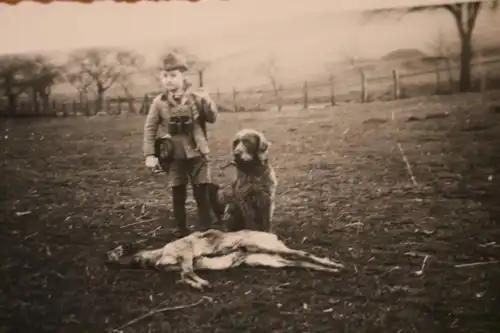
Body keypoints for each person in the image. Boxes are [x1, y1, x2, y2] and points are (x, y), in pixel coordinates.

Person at [143, 52, 219, 237]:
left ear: (183, 76)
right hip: (174, 156)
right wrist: (150, 155)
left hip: (198, 153)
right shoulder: (159, 102)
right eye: (165, 76)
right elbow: (150, 128)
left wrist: (207, 100)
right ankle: (182, 232)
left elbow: (212, 118)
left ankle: (207, 231)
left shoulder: (196, 97)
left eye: (173, 75)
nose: (169, 80)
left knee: (202, 193)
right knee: (178, 194)